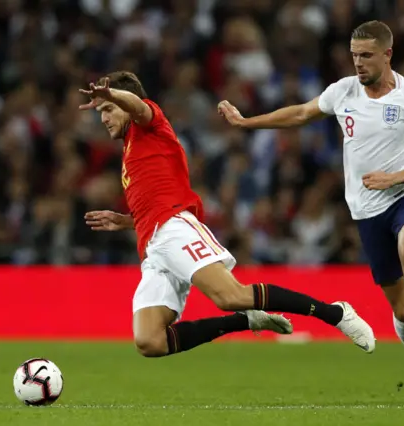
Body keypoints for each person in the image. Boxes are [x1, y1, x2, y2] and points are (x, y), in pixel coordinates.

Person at [218, 20, 404, 402]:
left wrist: (397, 177)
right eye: (354, 55)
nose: (358, 63)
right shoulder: (343, 91)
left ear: (388, 54)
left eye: (366, 55)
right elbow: (300, 114)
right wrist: (247, 122)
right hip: (366, 210)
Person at [78, 71, 376, 359]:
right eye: (101, 111)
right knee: (149, 341)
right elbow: (154, 200)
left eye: (108, 109)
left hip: (174, 228)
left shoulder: (150, 124)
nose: (103, 118)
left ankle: (335, 312)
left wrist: (114, 93)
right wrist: (127, 221)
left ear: (126, 101)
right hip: (152, 244)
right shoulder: (131, 149)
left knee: (230, 295)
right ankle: (245, 321)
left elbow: (139, 107)